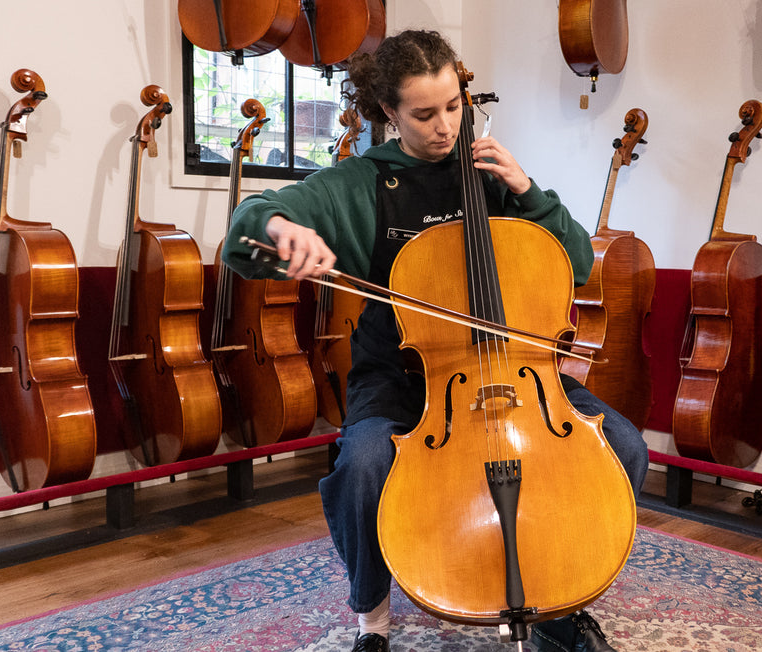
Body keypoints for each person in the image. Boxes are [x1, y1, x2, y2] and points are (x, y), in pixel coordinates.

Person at [222, 29, 649, 652]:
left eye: (453, 107)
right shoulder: (362, 182)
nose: (445, 126)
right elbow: (247, 230)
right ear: (389, 113)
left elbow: (578, 261)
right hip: (403, 379)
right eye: (423, 114)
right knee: (363, 466)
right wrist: (282, 227)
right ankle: (372, 616)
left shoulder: (492, 176)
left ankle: (561, 598)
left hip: (517, 369)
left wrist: (528, 191)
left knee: (625, 447)